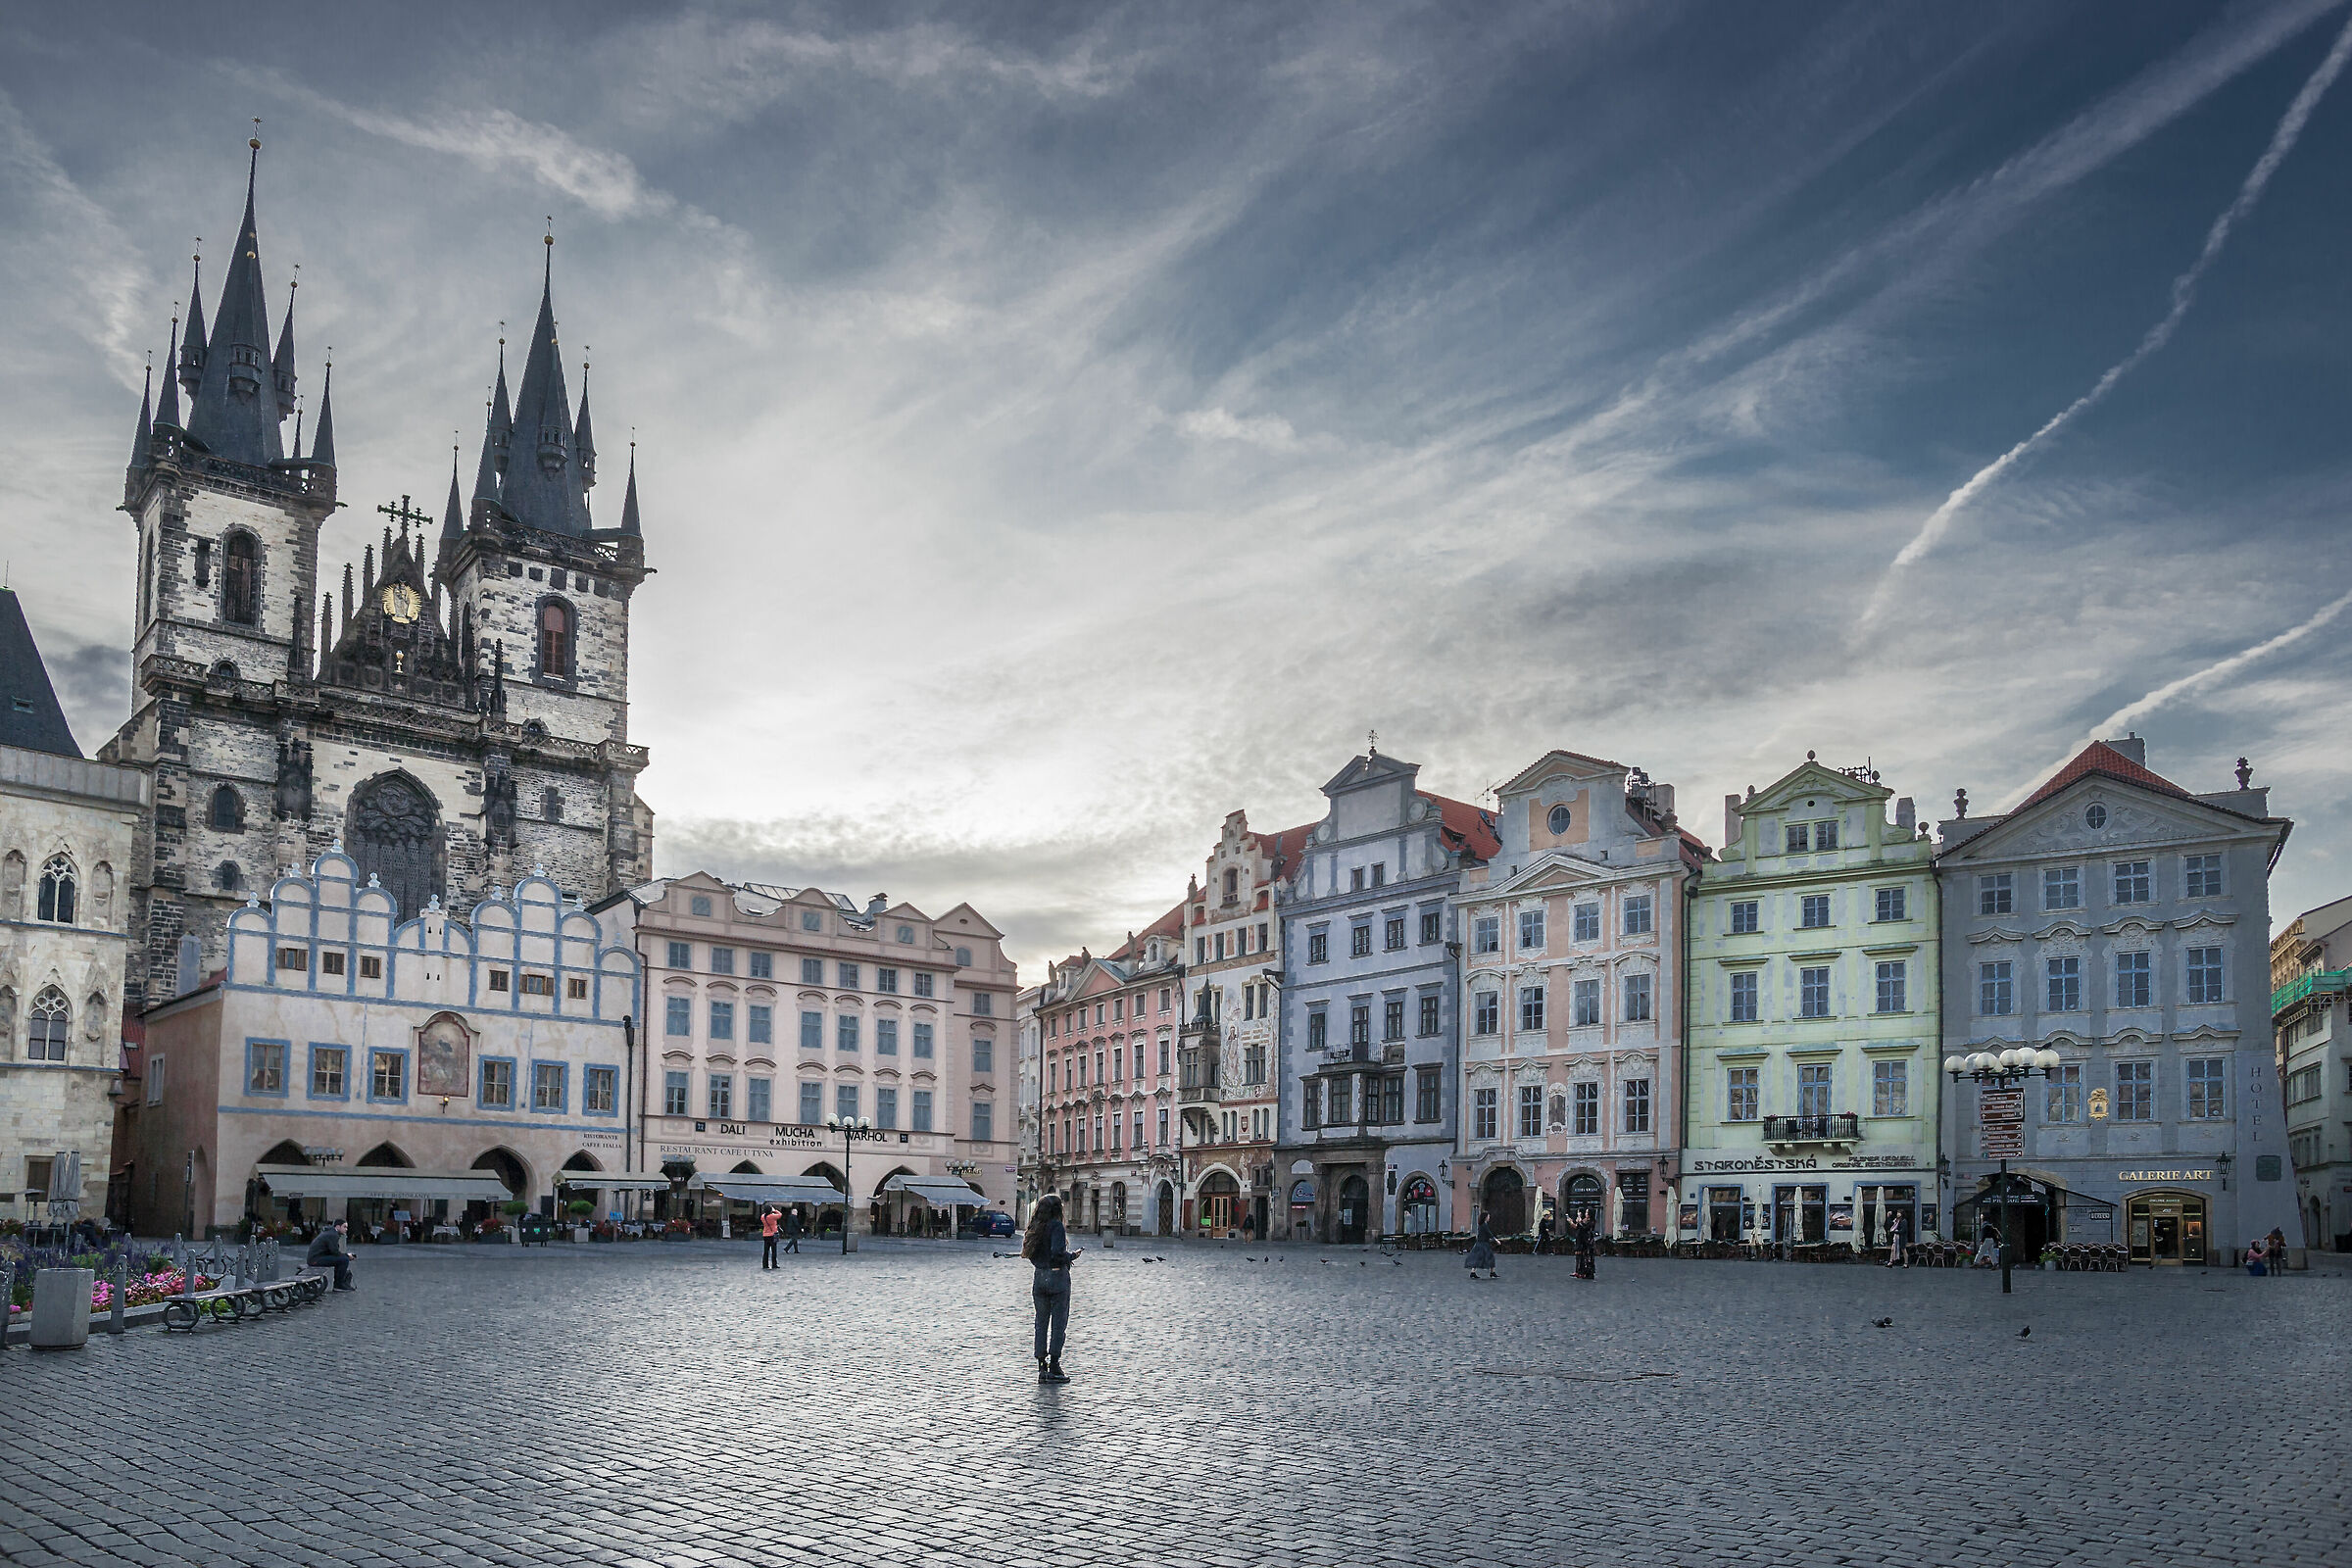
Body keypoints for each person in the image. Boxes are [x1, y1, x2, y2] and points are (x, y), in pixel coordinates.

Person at [1024, 1194, 1080, 1383]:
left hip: (1039, 1277)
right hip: (1057, 1278)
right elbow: (1057, 1253)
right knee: (1058, 1323)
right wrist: (1071, 1256)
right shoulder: (1056, 1226)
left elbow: (1030, 1253)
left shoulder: (1035, 1226)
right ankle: (1055, 1366)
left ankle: (1042, 1366)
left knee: (1040, 1323)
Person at [306, 1219, 356, 1292]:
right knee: (344, 1260)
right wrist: (347, 1256)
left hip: (316, 1258)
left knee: (343, 1259)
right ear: (338, 1227)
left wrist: (345, 1255)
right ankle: (339, 1285)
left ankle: (339, 1284)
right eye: (344, 1227)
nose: (346, 1229)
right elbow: (334, 1252)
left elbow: (333, 1252)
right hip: (315, 1260)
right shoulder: (332, 1235)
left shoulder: (331, 1233)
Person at [1464, 1213, 1498, 1280]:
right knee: (1490, 1257)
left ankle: (1473, 1272)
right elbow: (1489, 1233)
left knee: (1478, 1258)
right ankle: (1492, 1272)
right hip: (1483, 1244)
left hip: (1480, 1243)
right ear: (1485, 1217)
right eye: (1488, 1216)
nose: (1489, 1218)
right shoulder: (1484, 1225)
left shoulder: (1481, 1225)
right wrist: (1496, 1240)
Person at [1573, 1212, 1596, 1281]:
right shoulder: (1585, 1221)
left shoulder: (1591, 1222)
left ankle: (1589, 1273)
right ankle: (1583, 1272)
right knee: (1584, 1257)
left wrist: (1580, 1222)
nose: (1585, 1214)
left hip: (1588, 1241)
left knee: (1588, 1257)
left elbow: (1585, 1227)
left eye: (1587, 1212)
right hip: (1585, 1241)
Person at [760, 1206, 781, 1270]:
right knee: (774, 1250)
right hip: (772, 1234)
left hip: (765, 1234)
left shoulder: (763, 1217)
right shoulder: (772, 1216)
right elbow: (780, 1215)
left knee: (766, 1250)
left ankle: (765, 1264)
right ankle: (774, 1264)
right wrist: (775, 1210)